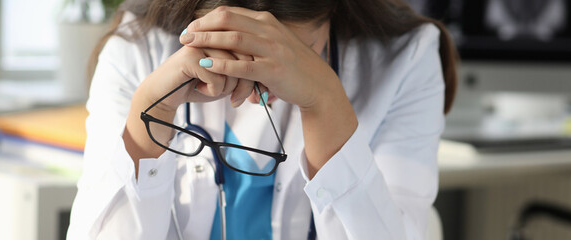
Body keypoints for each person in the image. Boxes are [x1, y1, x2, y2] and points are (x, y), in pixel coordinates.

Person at [67, 0, 458, 238]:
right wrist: (149, 116)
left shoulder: (406, 58)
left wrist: (325, 101)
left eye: (298, 51)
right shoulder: (136, 49)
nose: (256, 81)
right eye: (235, 49)